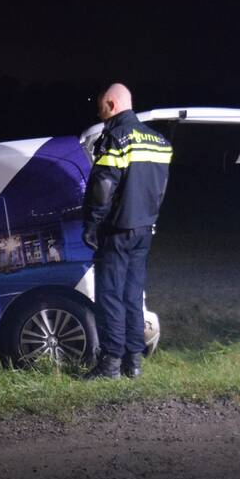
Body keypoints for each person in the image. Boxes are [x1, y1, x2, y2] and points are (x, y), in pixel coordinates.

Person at [82, 83, 172, 379]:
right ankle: (133, 363)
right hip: (145, 229)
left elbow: (103, 186)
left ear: (111, 104)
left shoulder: (116, 137)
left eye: (100, 106)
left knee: (110, 296)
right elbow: (159, 189)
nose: (99, 112)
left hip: (117, 231)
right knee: (133, 296)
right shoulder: (159, 140)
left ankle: (110, 364)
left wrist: (93, 225)